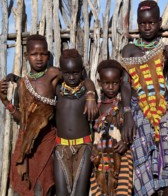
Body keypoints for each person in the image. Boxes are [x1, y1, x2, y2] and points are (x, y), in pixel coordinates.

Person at [0, 35, 97, 196]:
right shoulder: (23, 85)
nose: (39, 58)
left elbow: (83, 79)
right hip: (28, 141)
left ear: (48, 55)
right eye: (34, 54)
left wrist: (91, 94)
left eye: (43, 54)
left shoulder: (55, 75)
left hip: (48, 140)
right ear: (26, 56)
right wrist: (6, 103)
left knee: (44, 186)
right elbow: (22, 118)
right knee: (28, 185)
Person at [120, 0, 168, 196]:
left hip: (164, 113)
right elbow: (125, 84)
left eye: (151, 23)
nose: (147, 27)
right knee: (145, 169)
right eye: (142, 23)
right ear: (137, 24)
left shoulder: (166, 51)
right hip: (139, 114)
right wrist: (128, 115)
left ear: (159, 23)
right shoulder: (129, 50)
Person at [54, 49, 97, 195]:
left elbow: (89, 82)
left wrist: (91, 95)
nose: (71, 77)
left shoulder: (86, 92)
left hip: (83, 147)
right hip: (61, 147)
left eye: (76, 73)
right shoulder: (57, 91)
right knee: (61, 192)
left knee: (80, 192)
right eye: (67, 73)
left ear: (82, 71)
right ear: (61, 72)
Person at [89, 59, 133, 196]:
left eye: (114, 83)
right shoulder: (96, 107)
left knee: (122, 192)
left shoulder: (123, 107)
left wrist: (125, 142)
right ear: (99, 83)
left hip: (122, 157)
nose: (110, 87)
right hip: (99, 158)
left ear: (120, 82)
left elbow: (130, 129)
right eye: (106, 83)